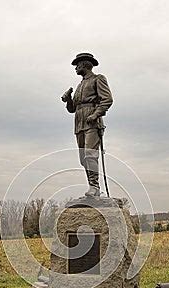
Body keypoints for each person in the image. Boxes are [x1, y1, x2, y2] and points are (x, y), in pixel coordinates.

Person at [61, 53, 113, 197]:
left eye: (77, 65)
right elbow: (72, 109)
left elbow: (107, 100)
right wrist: (68, 100)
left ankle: (94, 187)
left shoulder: (98, 79)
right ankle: (92, 186)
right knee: (83, 158)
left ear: (84, 64)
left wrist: (96, 114)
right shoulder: (79, 86)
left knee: (90, 154)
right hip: (79, 122)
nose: (75, 68)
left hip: (92, 121)